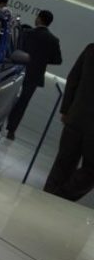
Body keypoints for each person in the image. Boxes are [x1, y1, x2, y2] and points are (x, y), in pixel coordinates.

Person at [44, 43, 94, 201]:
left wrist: (66, 109)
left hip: (76, 116)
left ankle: (46, 197)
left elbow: (73, 78)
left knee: (63, 162)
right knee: (90, 171)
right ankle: (61, 197)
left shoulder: (91, 49)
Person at [7, 10, 63, 140]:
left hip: (18, 69)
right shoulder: (53, 40)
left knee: (7, 97)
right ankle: (11, 130)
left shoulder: (27, 33)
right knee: (23, 103)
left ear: (39, 19)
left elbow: (16, 48)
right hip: (34, 75)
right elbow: (58, 60)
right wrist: (42, 60)